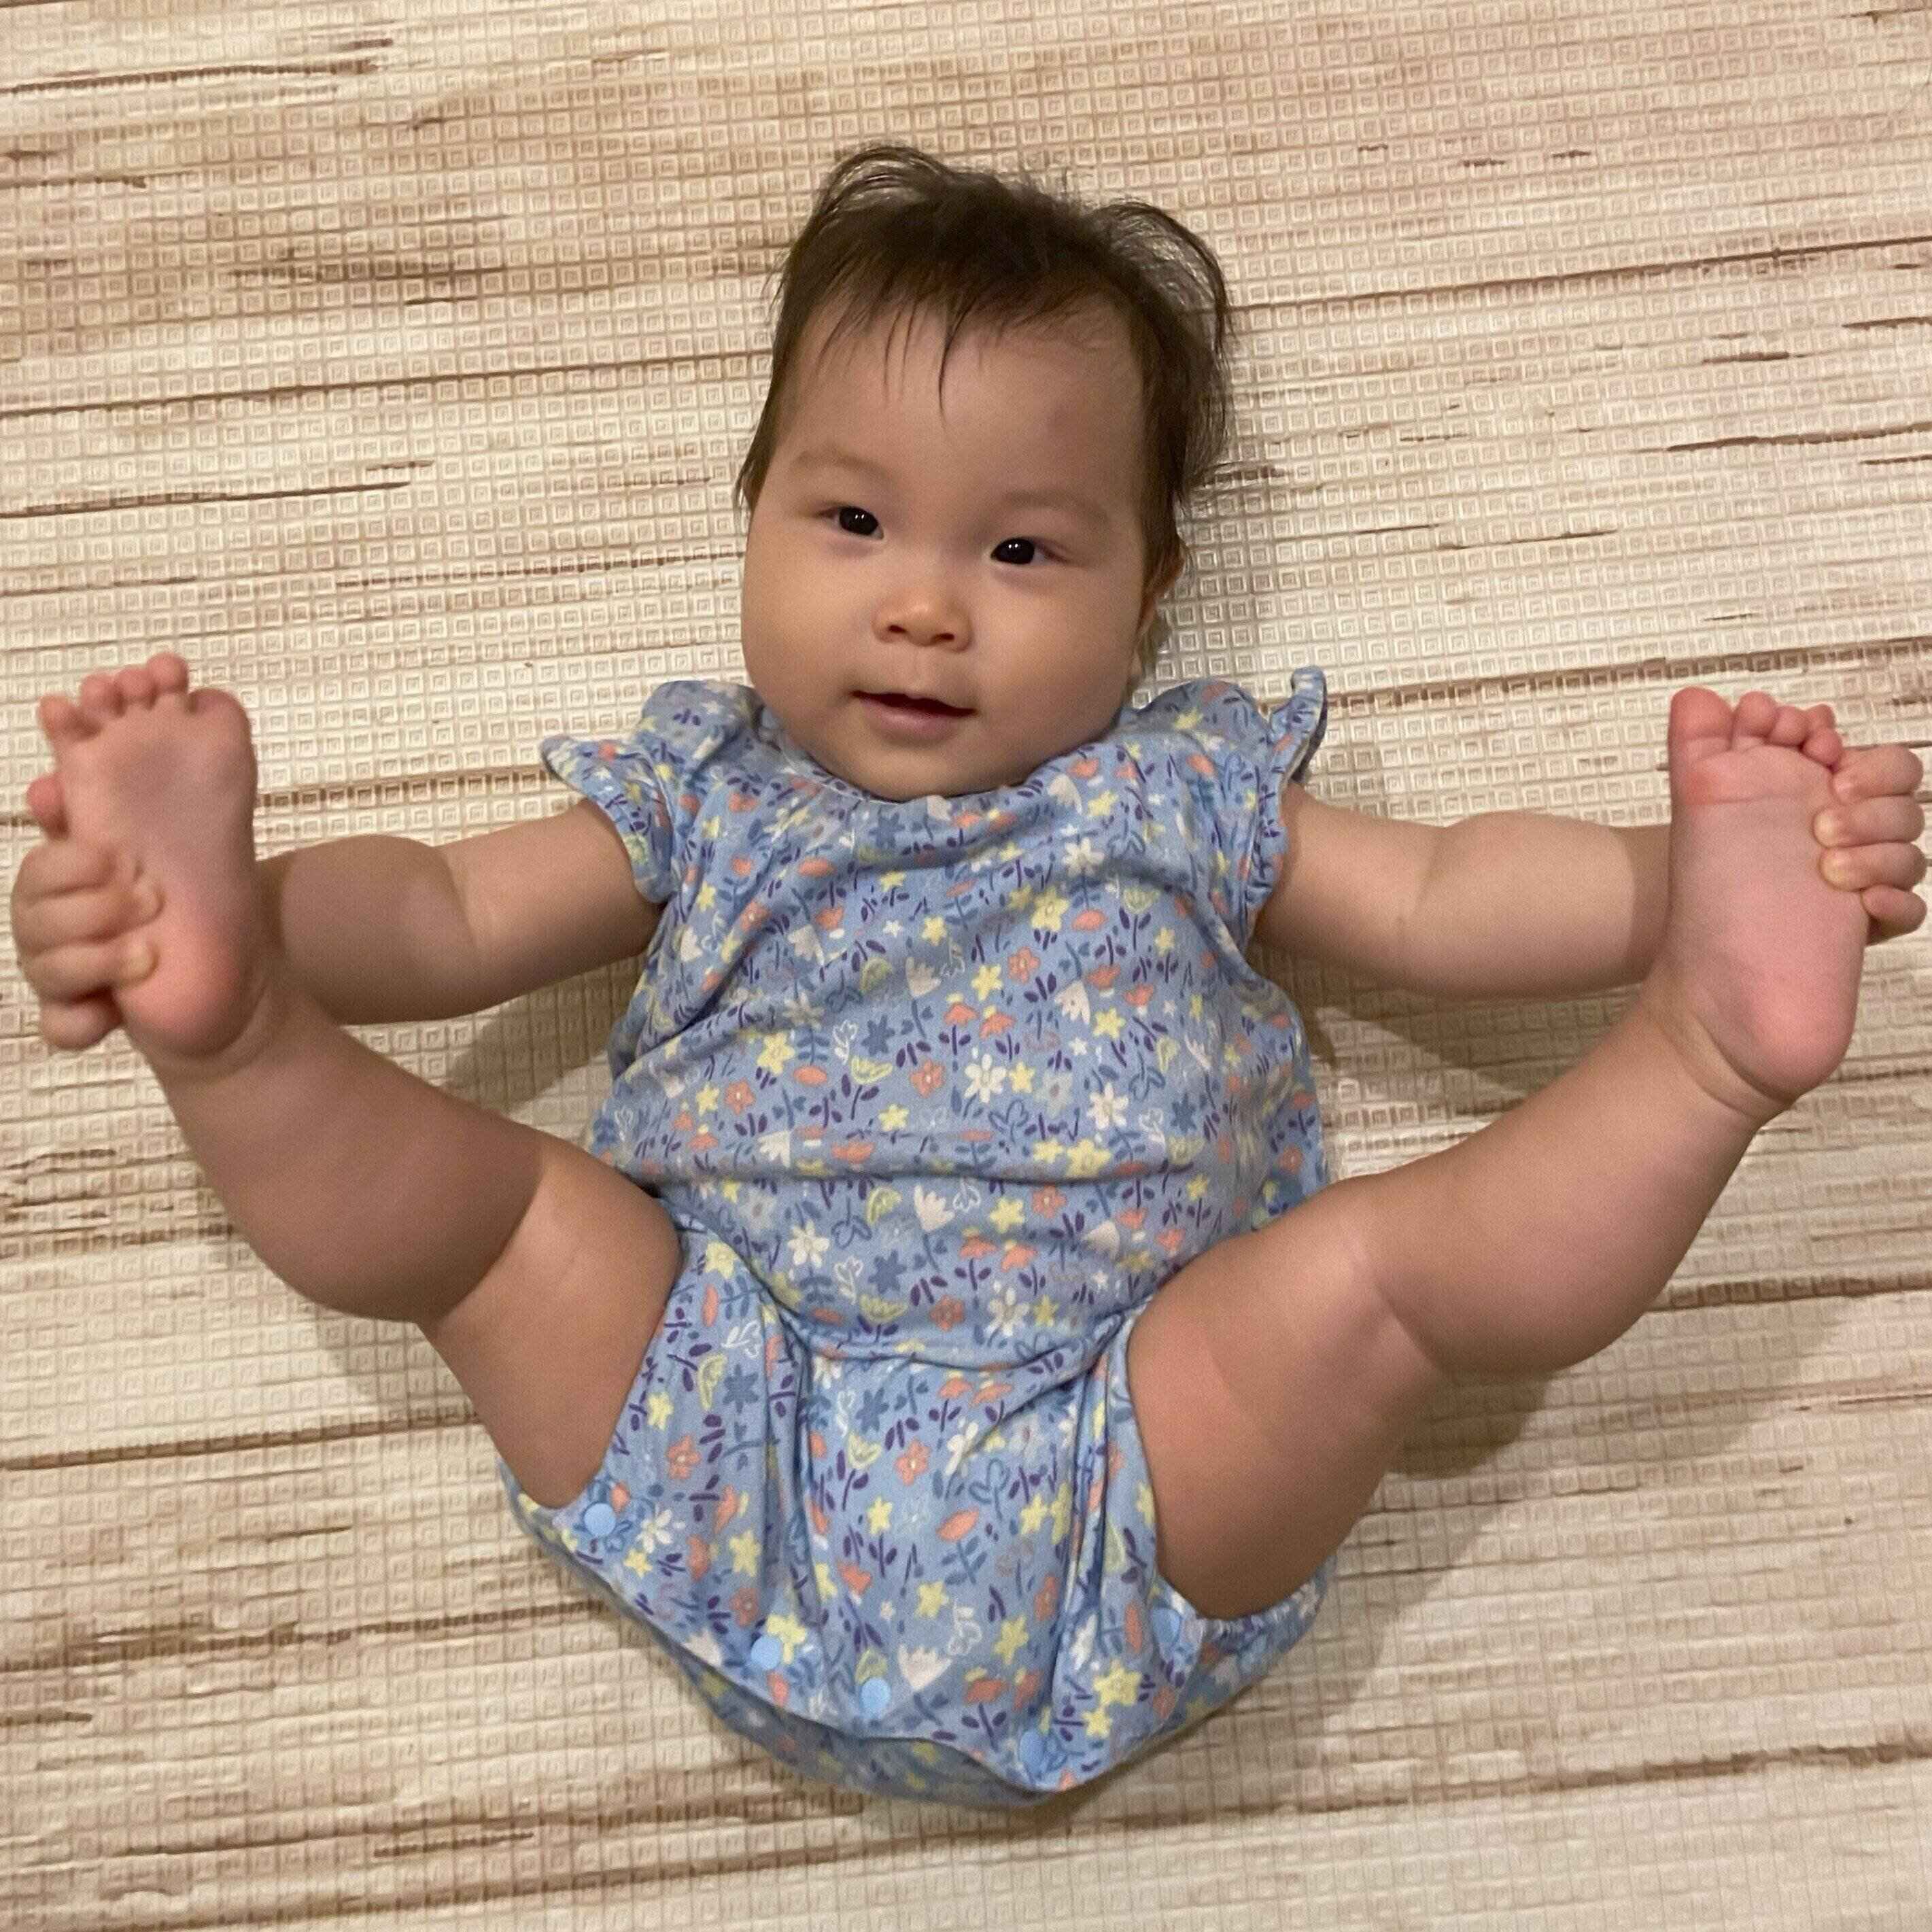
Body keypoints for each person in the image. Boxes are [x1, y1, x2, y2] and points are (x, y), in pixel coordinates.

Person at [10, 146, 1925, 1810]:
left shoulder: (1179, 788)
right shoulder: (709, 792)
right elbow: (438, 915)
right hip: (724, 1413)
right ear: (751, 520)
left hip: (1134, 1451)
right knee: (511, 1224)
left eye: (1020, 548)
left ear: (1147, 596)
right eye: (851, 522)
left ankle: (1705, 1038)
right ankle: (230, 1020)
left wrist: (1678, 876)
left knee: (1375, 1283)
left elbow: (1442, 897)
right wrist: (259, 915)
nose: (923, 604)